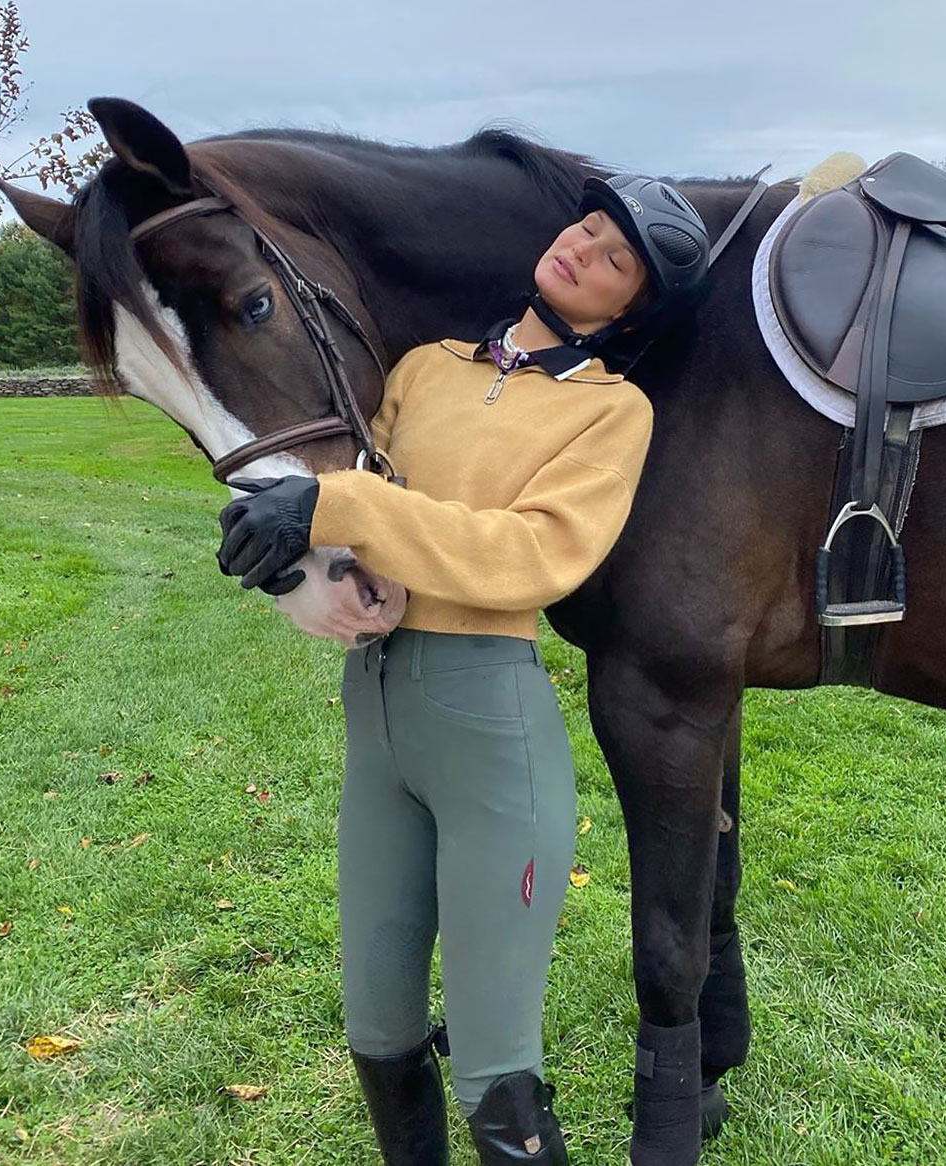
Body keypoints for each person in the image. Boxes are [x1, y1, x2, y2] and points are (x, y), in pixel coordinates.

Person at [216, 174, 711, 1164]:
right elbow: (364, 491)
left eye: (615, 258)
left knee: (496, 1070)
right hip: (379, 714)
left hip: (491, 729)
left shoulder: (613, 413)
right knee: (379, 1027)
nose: (583, 247)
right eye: (588, 226)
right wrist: (290, 549)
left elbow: (532, 553)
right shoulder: (427, 368)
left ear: (631, 306)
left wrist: (337, 512)